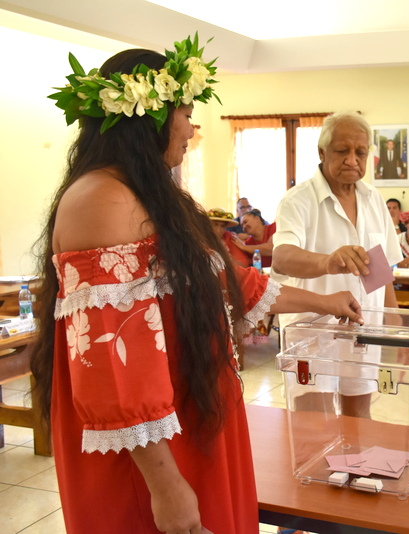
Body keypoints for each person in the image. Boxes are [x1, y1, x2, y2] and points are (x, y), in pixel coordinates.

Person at [33, 40, 363, 534]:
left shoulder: (156, 195)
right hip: (148, 450)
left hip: (192, 421)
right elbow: (113, 366)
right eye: (185, 112)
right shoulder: (99, 200)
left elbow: (237, 286)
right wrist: (166, 487)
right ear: (146, 116)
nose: (192, 127)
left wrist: (328, 301)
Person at [272, 110, 403, 417]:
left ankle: (357, 467)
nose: (352, 160)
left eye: (360, 152)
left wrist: (395, 322)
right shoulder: (297, 201)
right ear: (322, 152)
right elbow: (282, 257)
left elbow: (379, 267)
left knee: (359, 420)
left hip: (364, 329)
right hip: (312, 333)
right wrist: (328, 261)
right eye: (342, 151)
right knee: (315, 425)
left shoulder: (373, 198)